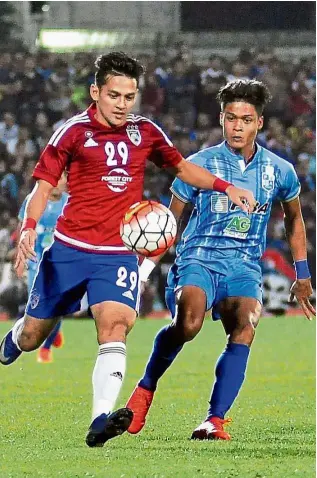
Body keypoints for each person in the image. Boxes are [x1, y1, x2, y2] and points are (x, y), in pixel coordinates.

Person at [0, 53, 256, 448]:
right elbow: (41, 186)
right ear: (95, 92)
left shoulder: (146, 133)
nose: (122, 104)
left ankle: (100, 419)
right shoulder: (71, 132)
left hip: (117, 253)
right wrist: (30, 227)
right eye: (114, 95)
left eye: (129, 96)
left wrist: (226, 187)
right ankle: (15, 338)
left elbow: (182, 169)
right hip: (69, 249)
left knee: (116, 325)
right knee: (35, 335)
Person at [126, 79, 316, 440]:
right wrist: (146, 268)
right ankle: (144, 390)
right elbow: (170, 221)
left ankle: (214, 420)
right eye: (231, 118)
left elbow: (295, 220)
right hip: (198, 259)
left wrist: (302, 274)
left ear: (259, 123)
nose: (237, 126)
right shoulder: (198, 165)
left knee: (245, 325)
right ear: (221, 119)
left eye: (246, 119)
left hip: (244, 265)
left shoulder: (280, 171)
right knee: (189, 325)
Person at [18, 173, 68, 363]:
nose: (58, 182)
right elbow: (21, 228)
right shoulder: (34, 200)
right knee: (39, 305)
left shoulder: (70, 203)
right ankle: (54, 332)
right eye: (55, 177)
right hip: (35, 263)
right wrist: (21, 257)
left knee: (58, 304)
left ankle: (45, 349)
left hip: (61, 264)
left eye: (62, 178)